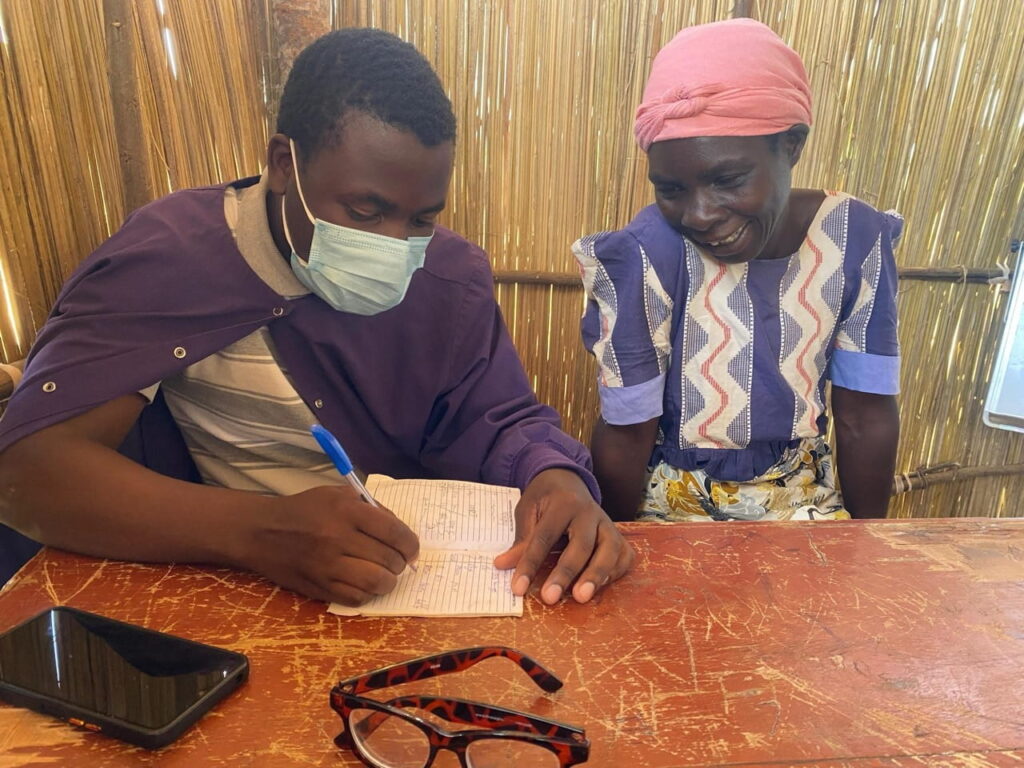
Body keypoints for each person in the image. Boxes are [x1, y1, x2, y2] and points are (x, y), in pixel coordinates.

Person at [0, 28, 633, 604]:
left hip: (409, 589)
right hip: (226, 595)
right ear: (284, 165)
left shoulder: (448, 278)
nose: (393, 244)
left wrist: (554, 476)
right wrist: (259, 532)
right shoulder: (169, 262)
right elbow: (30, 472)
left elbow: (498, 418)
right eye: (364, 212)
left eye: (421, 219)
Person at [575, 19, 901, 522]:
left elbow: (865, 414)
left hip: (802, 502)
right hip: (669, 507)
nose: (699, 215)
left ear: (792, 145)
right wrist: (618, 539)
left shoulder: (854, 239)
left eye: (727, 179)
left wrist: (867, 543)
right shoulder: (648, 253)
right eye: (671, 189)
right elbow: (627, 428)